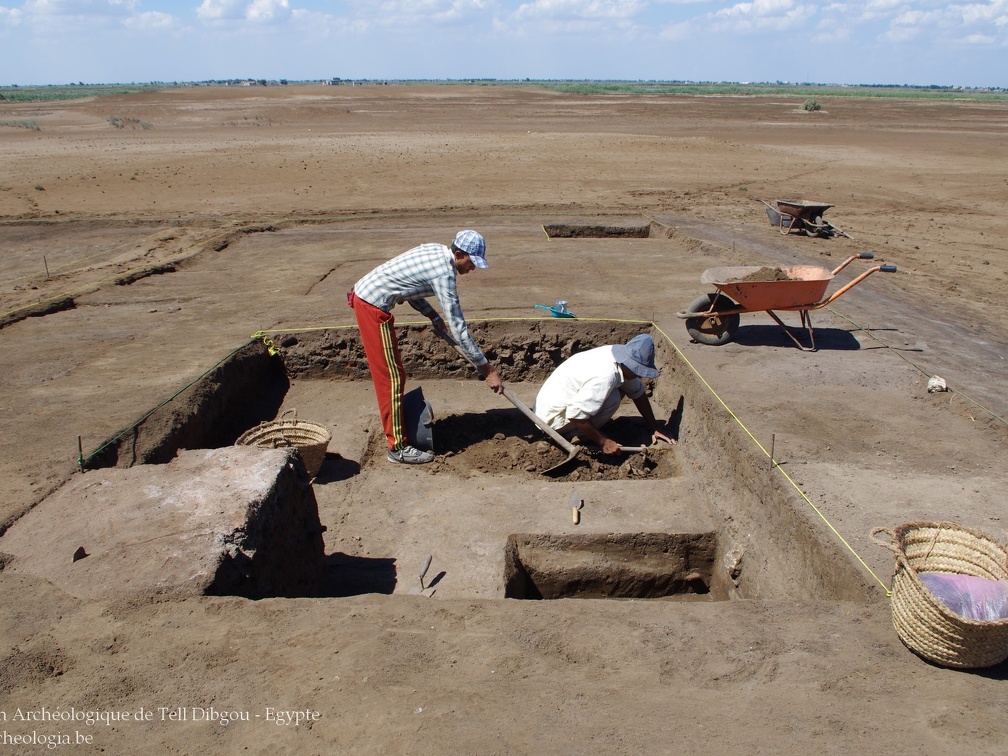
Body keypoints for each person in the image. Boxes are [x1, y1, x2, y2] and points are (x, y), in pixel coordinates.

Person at [348, 230, 504, 464]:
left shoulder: (435, 251)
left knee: (394, 376)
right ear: (459, 254)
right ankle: (398, 448)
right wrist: (488, 371)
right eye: (471, 263)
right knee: (391, 378)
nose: (472, 269)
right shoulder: (444, 273)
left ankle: (397, 433)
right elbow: (459, 329)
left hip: (369, 300)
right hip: (372, 308)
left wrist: (432, 315)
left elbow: (409, 287)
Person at [533, 334, 674, 455]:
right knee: (613, 398)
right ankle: (575, 435)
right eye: (638, 371)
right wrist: (604, 442)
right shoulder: (605, 376)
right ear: (629, 364)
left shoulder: (617, 358)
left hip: (558, 404)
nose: (639, 375)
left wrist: (655, 427)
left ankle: (586, 430)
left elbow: (637, 393)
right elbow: (575, 415)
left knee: (616, 391)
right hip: (550, 421)